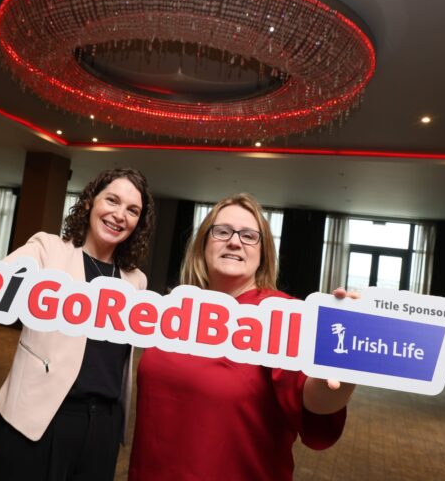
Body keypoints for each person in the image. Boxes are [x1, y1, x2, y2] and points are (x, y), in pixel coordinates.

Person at [0, 168, 155, 481]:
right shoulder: (47, 251)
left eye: (132, 210)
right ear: (89, 204)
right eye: (112, 200)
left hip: (102, 429)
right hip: (38, 419)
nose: (119, 215)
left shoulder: (135, 280)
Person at [129, 193, 355, 481]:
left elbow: (315, 401)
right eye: (222, 231)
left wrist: (344, 368)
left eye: (249, 236)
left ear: (263, 254)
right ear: (203, 244)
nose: (234, 241)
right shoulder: (176, 306)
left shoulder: (280, 314)